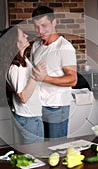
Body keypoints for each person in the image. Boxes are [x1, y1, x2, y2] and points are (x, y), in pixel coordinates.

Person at [30, 6, 78, 139]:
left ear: (54, 22)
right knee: (42, 150)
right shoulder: (36, 46)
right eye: (36, 26)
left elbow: (73, 79)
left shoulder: (64, 47)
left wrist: (45, 78)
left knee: (57, 149)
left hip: (56, 108)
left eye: (44, 25)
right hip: (39, 106)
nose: (40, 31)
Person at [5, 26, 46, 144]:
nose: (26, 36)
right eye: (23, 35)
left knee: (32, 156)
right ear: (15, 42)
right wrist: (35, 76)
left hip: (30, 117)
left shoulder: (23, 61)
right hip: (29, 119)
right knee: (35, 156)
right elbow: (23, 97)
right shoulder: (16, 67)